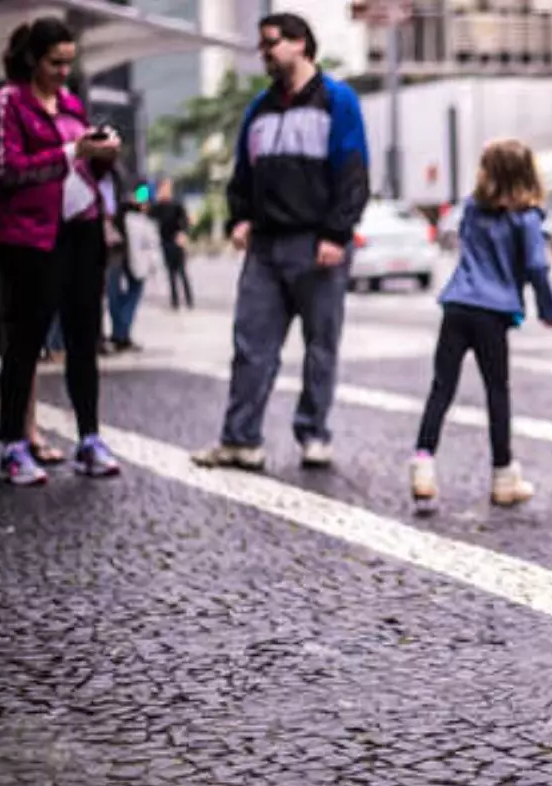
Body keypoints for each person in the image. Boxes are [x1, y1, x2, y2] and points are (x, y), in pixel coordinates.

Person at [192, 13, 369, 471]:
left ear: (300, 45)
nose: (265, 52)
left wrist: (336, 233)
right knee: (251, 344)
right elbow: (243, 174)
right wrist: (240, 218)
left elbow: (352, 172)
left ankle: (314, 433)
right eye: (263, 45)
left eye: (272, 43)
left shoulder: (338, 100)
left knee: (320, 345)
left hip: (317, 245)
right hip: (266, 249)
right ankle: (240, 439)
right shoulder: (259, 108)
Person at [0, 17, 123, 485]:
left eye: (69, 62)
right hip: (30, 237)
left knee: (84, 340)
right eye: (54, 63)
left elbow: (85, 169)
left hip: (81, 231)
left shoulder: (70, 104)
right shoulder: (10, 103)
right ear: (32, 60)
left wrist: (101, 158)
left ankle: (89, 438)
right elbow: (8, 171)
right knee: (26, 344)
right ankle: (12, 445)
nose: (64, 71)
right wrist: (70, 152)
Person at [409, 138, 552, 513]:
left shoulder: (473, 210)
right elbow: (537, 267)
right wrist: (547, 307)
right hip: (492, 312)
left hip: (457, 304)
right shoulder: (527, 218)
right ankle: (503, 476)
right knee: (497, 392)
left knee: (441, 387)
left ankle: (423, 463)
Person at [102, 165, 144, 352]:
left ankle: (122, 332)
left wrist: (140, 200)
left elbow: (142, 190)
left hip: (125, 242)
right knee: (112, 291)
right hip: (107, 244)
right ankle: (120, 334)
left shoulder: (118, 173)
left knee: (133, 284)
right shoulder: (92, 172)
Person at [149, 178, 192, 309]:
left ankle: (189, 300)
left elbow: (185, 221)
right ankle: (175, 301)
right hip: (165, 241)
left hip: (177, 240)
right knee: (170, 273)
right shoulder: (157, 207)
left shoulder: (177, 204)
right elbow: (148, 216)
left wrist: (183, 234)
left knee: (181, 272)